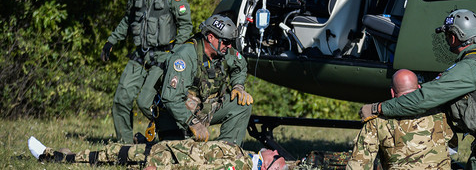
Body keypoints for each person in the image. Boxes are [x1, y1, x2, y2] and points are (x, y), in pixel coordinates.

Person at [360, 9, 476, 170]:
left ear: (453, 37)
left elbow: (424, 98)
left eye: (447, 35)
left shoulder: (470, 67)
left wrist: (379, 108)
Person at [101, 0, 193, 143]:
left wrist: (176, 53)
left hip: (163, 56)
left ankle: (174, 136)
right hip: (139, 56)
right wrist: (111, 41)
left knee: (147, 103)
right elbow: (127, 21)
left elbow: (186, 25)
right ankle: (125, 145)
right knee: (121, 99)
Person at [159, 14, 253, 144]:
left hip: (206, 108)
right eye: (226, 41)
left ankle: (228, 151)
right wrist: (192, 123)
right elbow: (170, 98)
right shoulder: (185, 56)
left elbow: (240, 66)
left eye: (231, 42)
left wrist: (238, 86)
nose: (230, 46)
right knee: (182, 157)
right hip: (179, 116)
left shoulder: (225, 52)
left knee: (241, 105)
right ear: (210, 37)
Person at [347, 69, 454, 170]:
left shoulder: (377, 120)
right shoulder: (440, 113)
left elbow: (360, 162)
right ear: (419, 87)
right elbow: (452, 143)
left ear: (392, 92)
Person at [28, 135, 288, 170]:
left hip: (164, 161)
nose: (275, 156)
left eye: (276, 165)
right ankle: (60, 156)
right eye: (278, 160)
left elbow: (200, 169)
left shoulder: (242, 167)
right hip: (165, 149)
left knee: (115, 158)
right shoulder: (246, 153)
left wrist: (162, 168)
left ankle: (51, 156)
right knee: (112, 152)